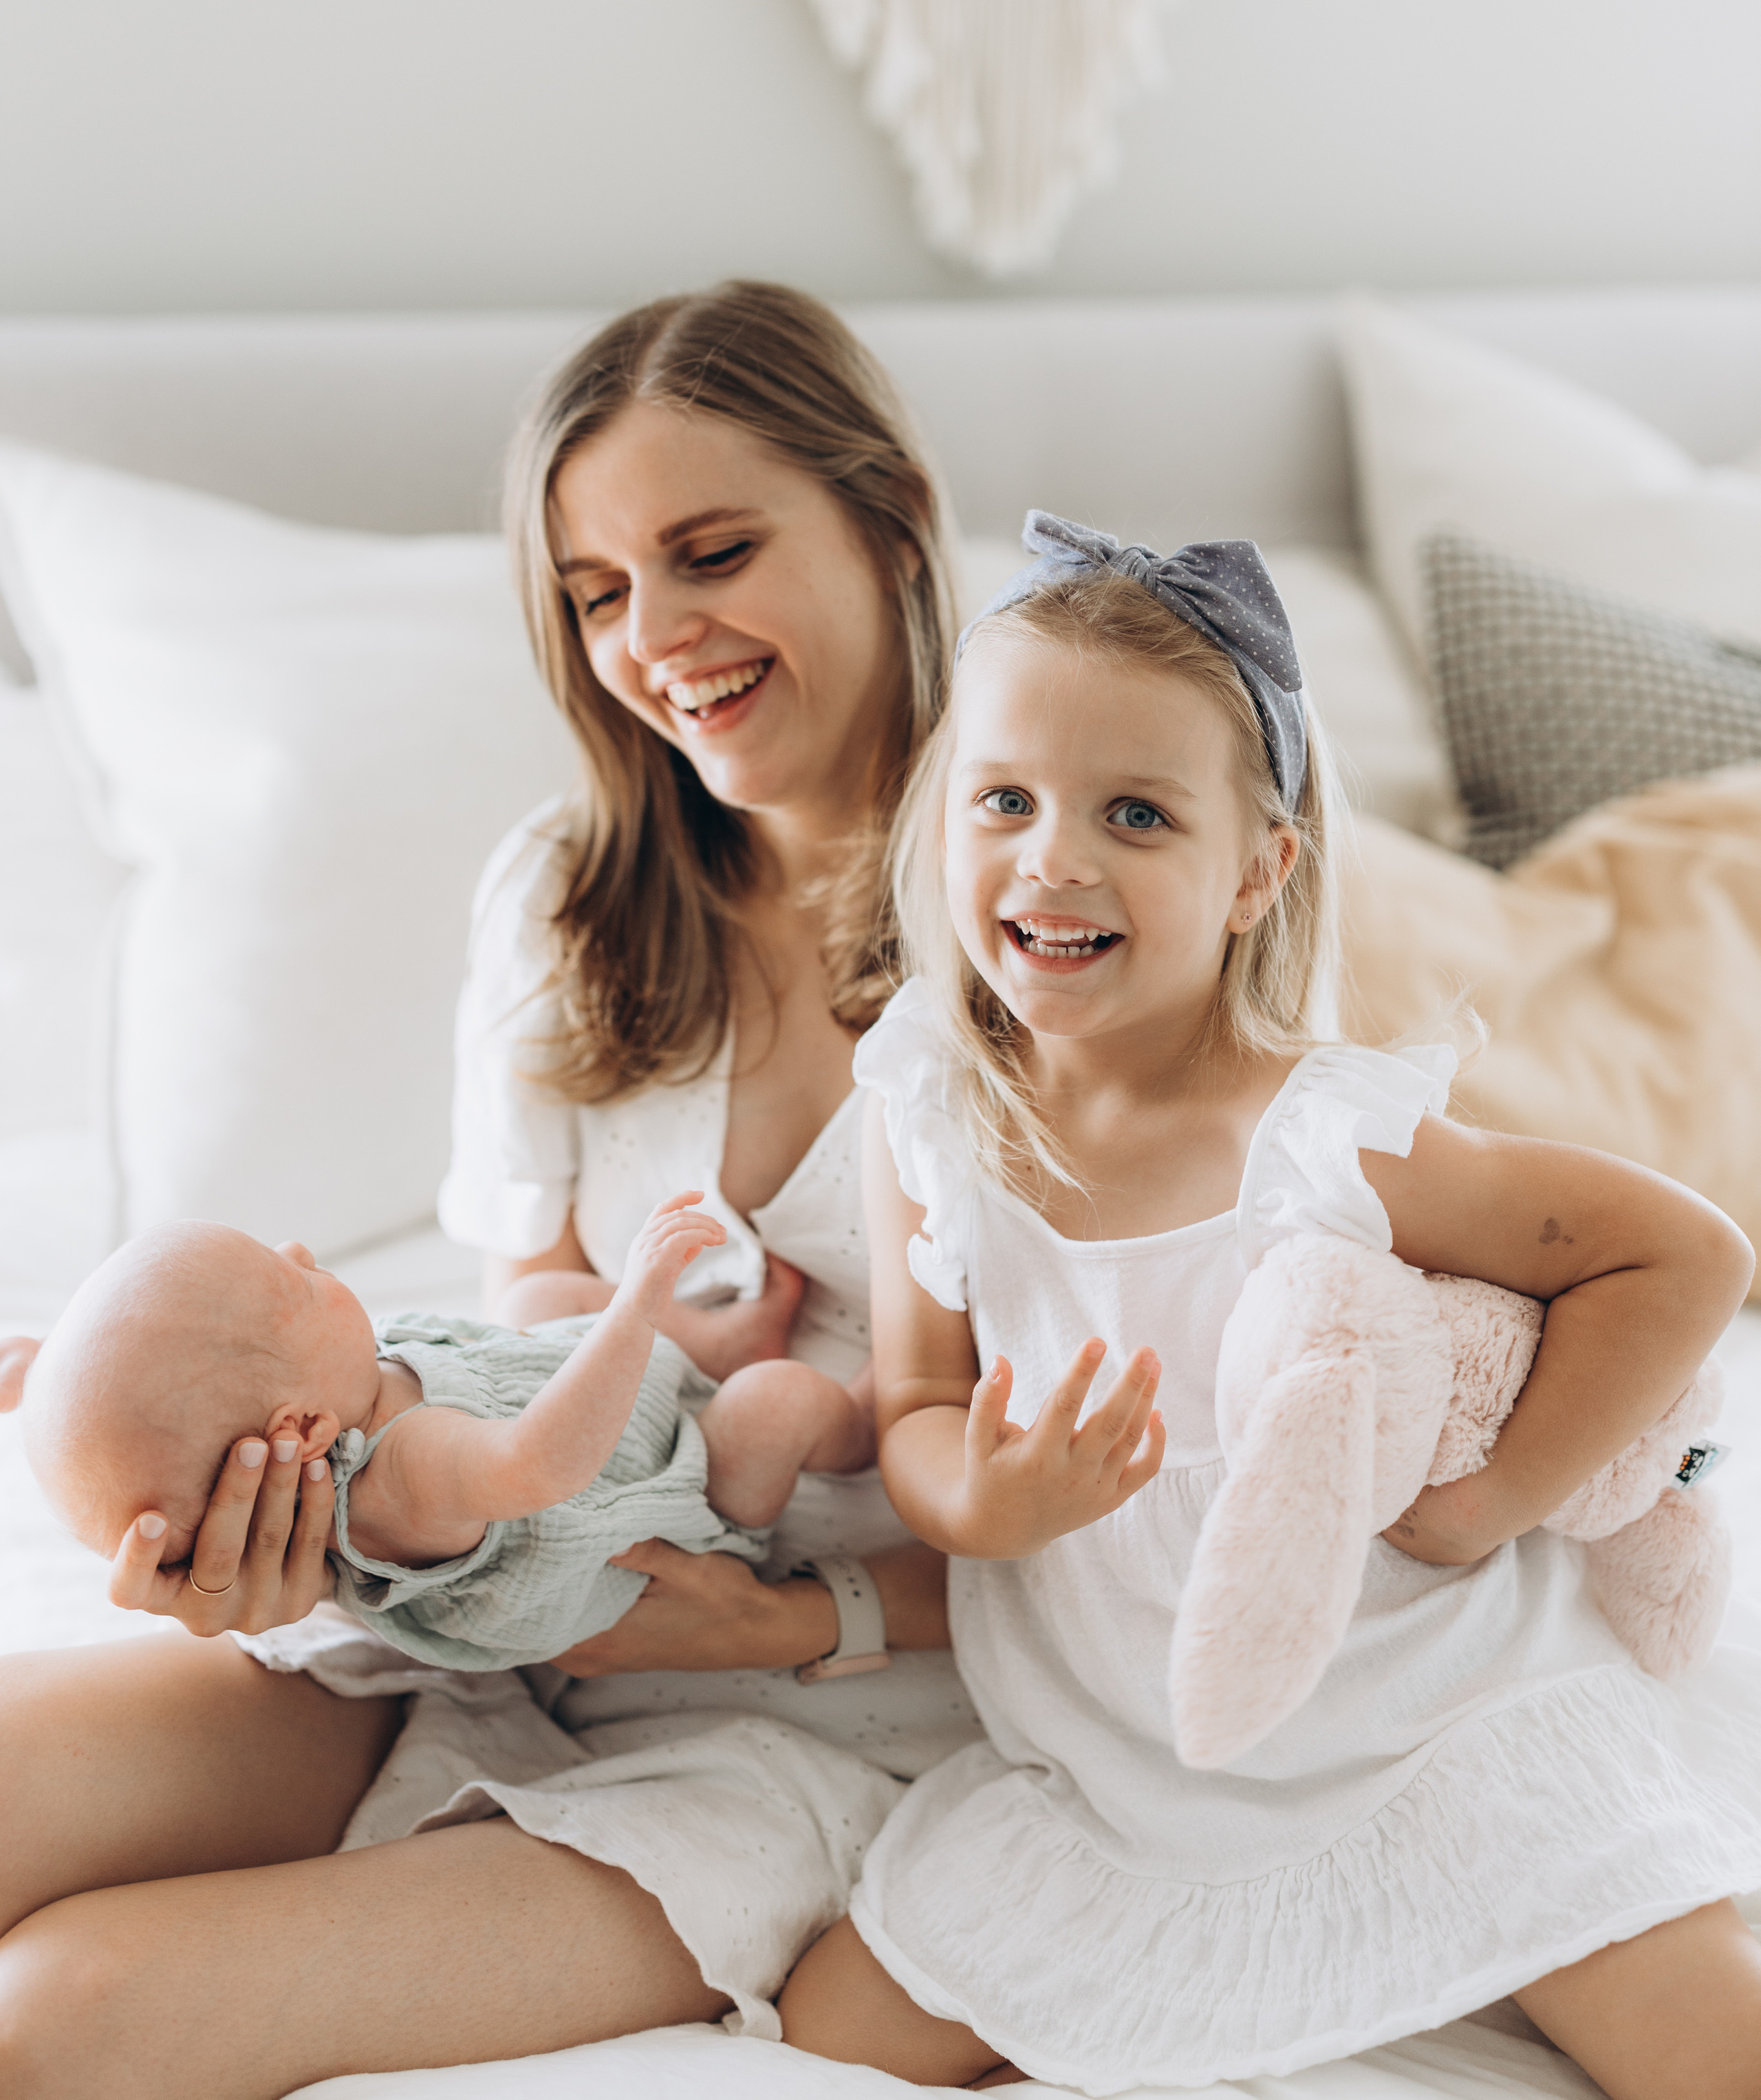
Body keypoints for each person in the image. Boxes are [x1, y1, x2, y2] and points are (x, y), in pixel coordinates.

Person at [0, 283, 977, 2097]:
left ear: (890, 511)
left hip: (827, 1733)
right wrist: (333, 1530)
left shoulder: (1050, 921)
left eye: (711, 552)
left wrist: (786, 1617)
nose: (659, 638)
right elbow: (518, 1311)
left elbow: (1156, 1503)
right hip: (489, 1638)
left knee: (56, 2024)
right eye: (599, 593)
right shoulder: (566, 898)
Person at [780, 514, 1761, 2100]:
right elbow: (913, 1408)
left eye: (1136, 813)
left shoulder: (1317, 1134)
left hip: (1426, 1729)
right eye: (1005, 799)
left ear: (1255, 873)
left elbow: (1687, 1258)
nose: (1053, 855)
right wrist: (985, 1496)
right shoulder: (931, 1117)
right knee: (833, 2034)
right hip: (1134, 1771)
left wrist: (1488, 1497)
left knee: (1708, 2051)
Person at [23, 1204, 876, 1672]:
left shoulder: (337, 1386)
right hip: (665, 1494)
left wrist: (46, 1372)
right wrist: (636, 1303)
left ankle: (714, 1345)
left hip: (580, 1401)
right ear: (303, 1430)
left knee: (536, 1301)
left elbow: (136, 1397)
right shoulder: (406, 1474)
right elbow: (542, 1463)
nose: (299, 1244)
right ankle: (867, 1426)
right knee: (776, 1402)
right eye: (290, 1280)